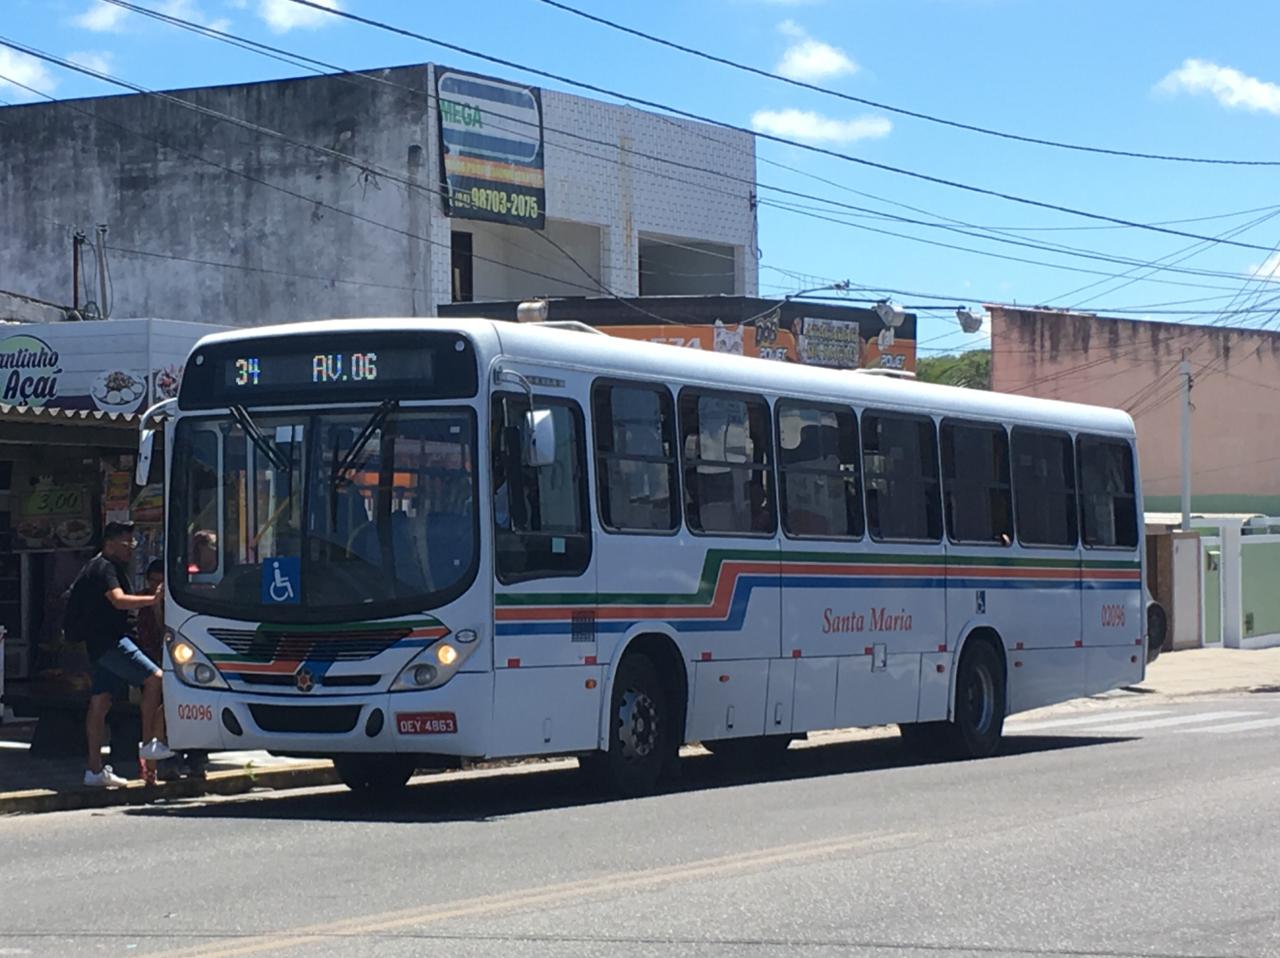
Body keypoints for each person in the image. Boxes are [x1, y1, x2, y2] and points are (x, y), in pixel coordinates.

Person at [66, 521, 174, 788]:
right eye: (127, 543)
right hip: (111, 642)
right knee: (155, 679)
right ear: (110, 542)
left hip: (100, 644)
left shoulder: (97, 566)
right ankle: (149, 744)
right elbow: (118, 599)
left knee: (100, 703)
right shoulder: (104, 567)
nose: (131, 549)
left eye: (133, 543)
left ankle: (94, 770)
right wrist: (153, 600)